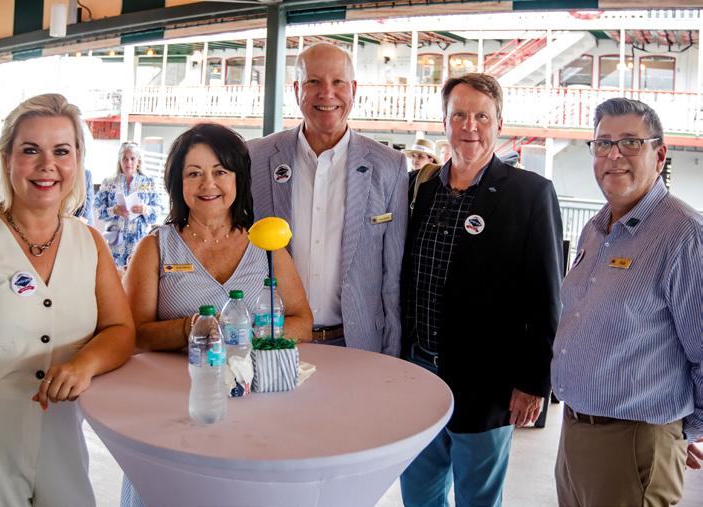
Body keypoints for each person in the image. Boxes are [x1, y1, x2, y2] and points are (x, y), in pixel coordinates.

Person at [0, 93, 135, 506]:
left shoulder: (90, 242)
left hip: (60, 432)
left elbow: (120, 330)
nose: (47, 165)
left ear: (77, 160)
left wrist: (83, 364)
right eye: (30, 150)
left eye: (61, 151)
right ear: (7, 158)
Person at [120, 123, 312, 507]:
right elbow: (134, 334)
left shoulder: (266, 246)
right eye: (194, 173)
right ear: (178, 183)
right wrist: (194, 329)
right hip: (172, 408)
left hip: (254, 411)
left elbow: (301, 321)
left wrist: (244, 337)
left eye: (220, 171)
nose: (208, 184)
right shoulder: (155, 247)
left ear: (238, 178)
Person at [400, 73, 563, 507]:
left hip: (487, 383)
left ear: (499, 123)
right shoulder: (419, 189)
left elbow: (547, 297)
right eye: (458, 115)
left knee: (478, 499)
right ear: (445, 122)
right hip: (418, 373)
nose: (469, 126)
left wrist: (534, 382)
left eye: (481, 117)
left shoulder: (530, 194)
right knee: (418, 496)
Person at [552, 98, 703, 507]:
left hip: (634, 443)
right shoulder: (596, 229)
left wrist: (677, 432)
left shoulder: (684, 236)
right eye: (603, 143)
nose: (614, 155)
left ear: (660, 155)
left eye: (630, 143)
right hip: (575, 433)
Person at [248, 42, 408, 356]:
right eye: (314, 82)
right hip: (273, 341)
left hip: (357, 345)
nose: (327, 93)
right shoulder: (256, 157)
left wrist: (391, 356)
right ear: (297, 90)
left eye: (338, 82)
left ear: (353, 90)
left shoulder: (389, 165)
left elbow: (393, 278)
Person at [94, 142, 162, 268]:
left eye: (132, 158)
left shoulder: (149, 182)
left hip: (139, 243)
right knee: (114, 275)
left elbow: (159, 210)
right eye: (124, 158)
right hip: (114, 243)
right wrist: (113, 210)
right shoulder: (109, 183)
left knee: (136, 275)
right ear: (120, 161)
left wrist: (145, 209)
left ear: (138, 161)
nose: (128, 162)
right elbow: (97, 209)